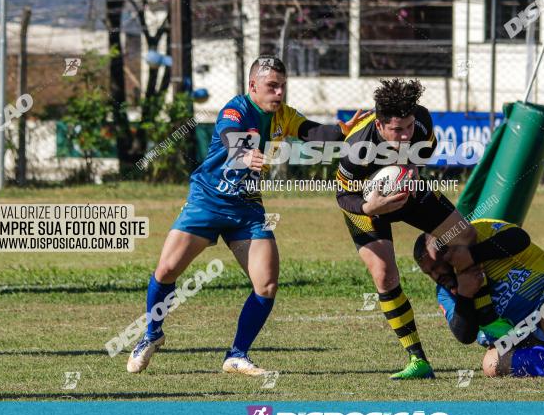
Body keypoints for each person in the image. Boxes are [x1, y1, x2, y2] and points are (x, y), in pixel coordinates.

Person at [126, 56, 365, 376]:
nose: (279, 93)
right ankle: (152, 335)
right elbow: (228, 133)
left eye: (282, 86)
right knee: (167, 269)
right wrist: (243, 151)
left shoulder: (284, 115)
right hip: (207, 201)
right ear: (253, 86)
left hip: (248, 208)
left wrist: (341, 131)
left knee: (266, 285)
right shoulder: (235, 108)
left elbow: (312, 132)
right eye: (272, 86)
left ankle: (236, 355)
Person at [335, 78, 478, 380]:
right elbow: (342, 195)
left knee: (466, 236)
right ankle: (418, 361)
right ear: (380, 124)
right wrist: (368, 208)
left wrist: (413, 165)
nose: (404, 135)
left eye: (408, 127)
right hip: (367, 203)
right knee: (384, 275)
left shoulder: (421, 122)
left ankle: (451, 290)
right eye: (396, 130)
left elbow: (426, 148)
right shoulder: (356, 148)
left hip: (407, 189)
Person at [414, 219, 544, 384]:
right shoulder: (445, 291)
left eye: (437, 266)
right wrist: (465, 295)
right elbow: (464, 334)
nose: (436, 275)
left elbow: (518, 238)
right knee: (491, 363)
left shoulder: (478, 233)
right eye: (428, 273)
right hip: (533, 333)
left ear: (450, 251)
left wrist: (472, 255)